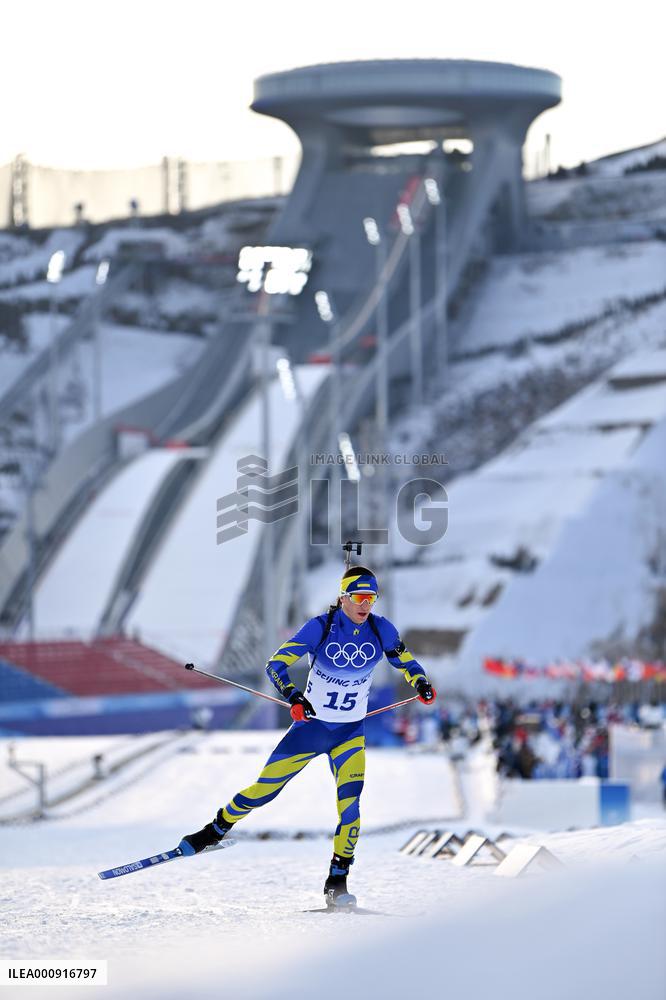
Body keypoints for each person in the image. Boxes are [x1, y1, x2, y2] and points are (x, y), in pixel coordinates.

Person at [179, 564, 437, 907]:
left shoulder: (381, 629)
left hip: (349, 733)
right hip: (310, 729)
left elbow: (405, 660)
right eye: (359, 597)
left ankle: (337, 883)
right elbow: (275, 664)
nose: (365, 605)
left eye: (371, 598)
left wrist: (419, 682)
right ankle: (215, 830)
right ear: (343, 597)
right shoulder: (321, 626)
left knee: (351, 810)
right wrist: (293, 696)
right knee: (263, 790)